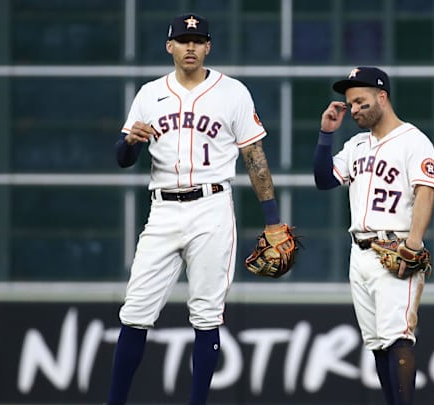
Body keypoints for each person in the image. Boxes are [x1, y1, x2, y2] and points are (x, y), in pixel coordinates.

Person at [107, 13, 293, 405]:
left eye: (198, 40)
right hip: (162, 208)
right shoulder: (149, 94)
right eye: (183, 40)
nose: (190, 46)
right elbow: (123, 157)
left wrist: (273, 220)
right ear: (169, 46)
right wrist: (131, 144)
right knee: (135, 310)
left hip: (211, 206)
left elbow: (254, 156)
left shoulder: (233, 92)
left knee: (207, 314)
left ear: (208, 47)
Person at [313, 67, 434, 404]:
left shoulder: (414, 140)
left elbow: (425, 192)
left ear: (382, 97)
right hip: (360, 252)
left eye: (360, 101)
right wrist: (326, 133)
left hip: (396, 246)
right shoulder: (356, 145)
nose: (353, 109)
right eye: (350, 103)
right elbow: (324, 179)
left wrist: (412, 244)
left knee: (399, 338)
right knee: (378, 344)